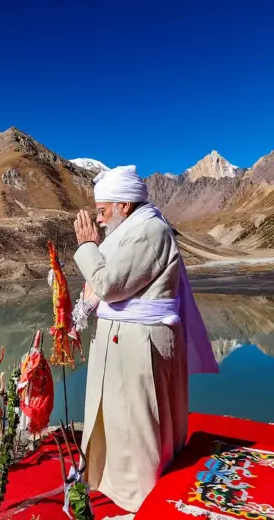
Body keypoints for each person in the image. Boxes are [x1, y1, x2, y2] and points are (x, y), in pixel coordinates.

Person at [70, 165, 219, 512]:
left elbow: (109, 285)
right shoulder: (130, 230)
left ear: (124, 205)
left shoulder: (150, 230)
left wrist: (88, 246)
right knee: (120, 417)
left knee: (138, 420)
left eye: (103, 210)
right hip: (127, 343)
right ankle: (113, 481)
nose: (100, 218)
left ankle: (143, 499)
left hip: (141, 346)